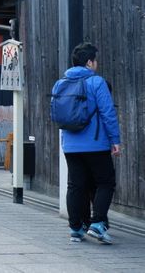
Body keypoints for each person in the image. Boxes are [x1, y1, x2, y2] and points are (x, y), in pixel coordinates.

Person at [57, 43, 121, 244]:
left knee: (75, 185)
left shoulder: (60, 83)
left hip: (69, 143)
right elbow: (108, 112)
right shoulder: (96, 82)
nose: (96, 63)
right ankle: (98, 223)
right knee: (105, 182)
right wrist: (115, 140)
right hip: (95, 143)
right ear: (89, 62)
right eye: (95, 60)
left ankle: (76, 228)